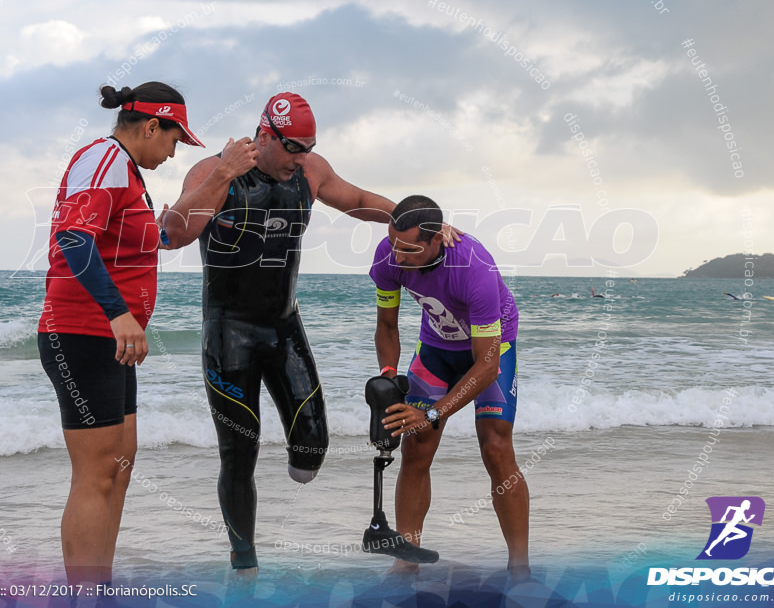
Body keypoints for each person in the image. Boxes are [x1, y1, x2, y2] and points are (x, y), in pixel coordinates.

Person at [160, 92, 457, 573]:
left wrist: (416, 223)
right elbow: (172, 233)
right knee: (240, 452)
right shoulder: (214, 172)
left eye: (309, 147)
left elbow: (358, 202)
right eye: (294, 147)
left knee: (310, 454)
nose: (301, 158)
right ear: (265, 137)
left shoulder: (310, 172)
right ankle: (245, 563)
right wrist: (222, 175)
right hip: (228, 334)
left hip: (283, 328)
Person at [37, 81, 204, 588]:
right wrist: (117, 313)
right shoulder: (104, 157)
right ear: (151, 126)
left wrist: (223, 176)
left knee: (120, 464)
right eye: (174, 140)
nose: (174, 152)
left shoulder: (126, 171)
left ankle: (98, 588)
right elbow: (73, 238)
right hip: (82, 332)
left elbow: (165, 236)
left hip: (108, 339)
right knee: (97, 474)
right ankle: (83, 595)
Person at [370, 195, 528, 580]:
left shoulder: (474, 267)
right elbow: (387, 327)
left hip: (492, 350)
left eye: (409, 249)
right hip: (435, 349)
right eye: (394, 244)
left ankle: (520, 567)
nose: (399, 255)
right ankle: (407, 558)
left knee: (496, 448)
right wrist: (389, 377)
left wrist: (435, 412)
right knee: (416, 445)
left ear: (437, 240)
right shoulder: (389, 256)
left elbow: (487, 364)